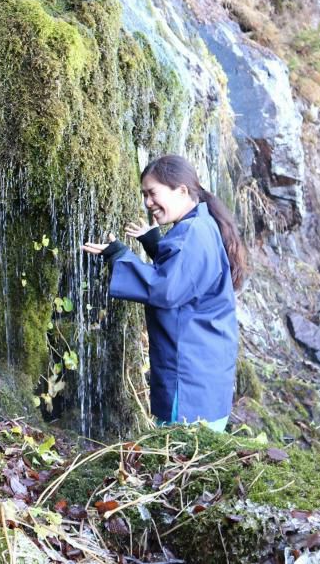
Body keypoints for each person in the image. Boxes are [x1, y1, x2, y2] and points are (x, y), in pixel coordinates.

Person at [82, 155, 246, 431]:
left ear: (181, 190)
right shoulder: (200, 225)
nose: (148, 202)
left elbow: (167, 289)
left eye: (153, 193)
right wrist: (155, 244)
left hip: (190, 378)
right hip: (205, 371)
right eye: (144, 195)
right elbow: (187, 278)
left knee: (179, 456)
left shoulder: (192, 233)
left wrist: (119, 256)